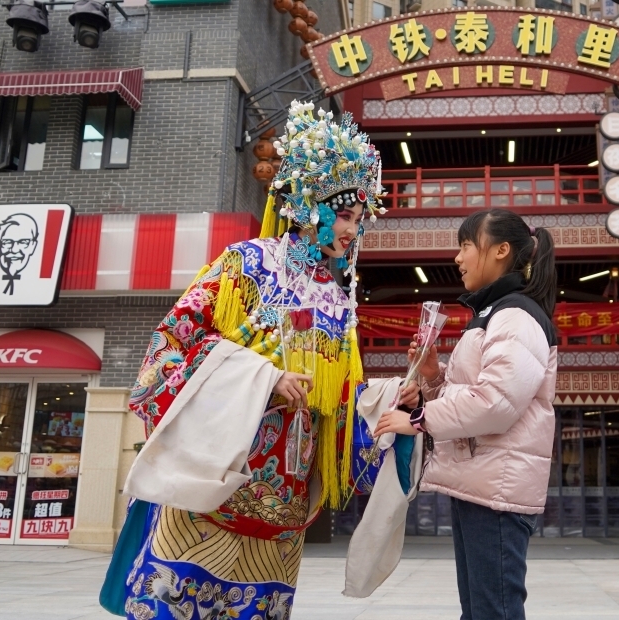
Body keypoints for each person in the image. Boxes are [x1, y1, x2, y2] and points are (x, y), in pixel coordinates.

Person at [103, 101, 415, 620]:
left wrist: (390, 396)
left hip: (284, 500)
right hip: (211, 484)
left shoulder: (338, 303)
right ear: (310, 204)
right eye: (344, 214)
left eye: (360, 220)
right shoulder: (245, 265)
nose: (352, 231)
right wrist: (263, 378)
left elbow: (339, 402)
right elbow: (171, 348)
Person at [374, 208, 559, 620]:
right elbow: (473, 397)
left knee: (494, 611)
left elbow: (494, 405)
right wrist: (432, 378)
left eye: (466, 245)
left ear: (501, 250)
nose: (457, 257)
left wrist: (419, 420)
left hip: (496, 487)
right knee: (480, 610)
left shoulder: (516, 316)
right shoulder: (494, 314)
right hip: (482, 482)